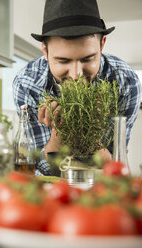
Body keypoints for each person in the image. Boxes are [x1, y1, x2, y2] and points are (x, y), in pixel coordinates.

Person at [13, 0, 142, 176]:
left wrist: (94, 138)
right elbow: (38, 171)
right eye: (63, 61)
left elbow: (116, 167)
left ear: (102, 44)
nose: (76, 75)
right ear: (45, 50)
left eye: (87, 59)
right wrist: (58, 136)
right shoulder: (26, 83)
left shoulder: (125, 81)